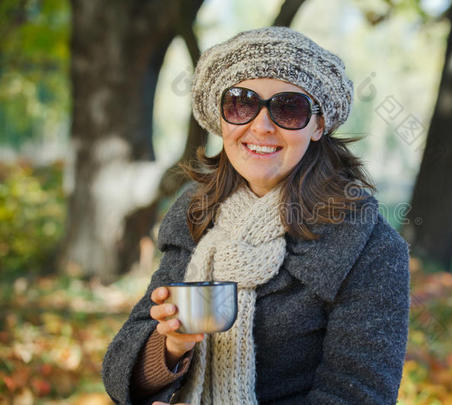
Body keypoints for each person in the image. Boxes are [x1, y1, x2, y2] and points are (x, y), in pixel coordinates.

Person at [102, 26, 410, 405]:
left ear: (318, 125)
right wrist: (170, 346)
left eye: (289, 108)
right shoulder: (195, 216)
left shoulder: (369, 246)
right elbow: (119, 374)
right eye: (241, 104)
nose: (261, 125)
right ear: (222, 119)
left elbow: (359, 396)